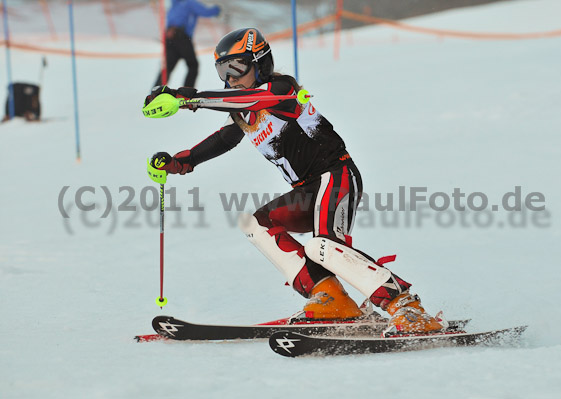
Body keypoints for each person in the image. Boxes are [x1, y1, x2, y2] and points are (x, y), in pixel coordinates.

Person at [145, 28, 443, 336]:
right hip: (305, 189)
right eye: (223, 69)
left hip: (336, 174)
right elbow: (224, 138)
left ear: (259, 63)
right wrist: (181, 162)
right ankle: (331, 298)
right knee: (255, 223)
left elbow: (255, 99)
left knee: (322, 245)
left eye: (237, 67)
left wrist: (188, 96)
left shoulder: (281, 89)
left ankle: (405, 306)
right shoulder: (244, 111)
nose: (230, 77)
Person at [154, 0, 221, 88]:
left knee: (168, 67)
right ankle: (186, 93)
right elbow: (205, 12)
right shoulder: (190, 2)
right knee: (193, 65)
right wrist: (217, 9)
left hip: (170, 37)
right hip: (181, 37)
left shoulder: (175, 3)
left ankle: (155, 94)